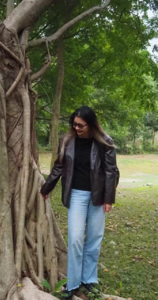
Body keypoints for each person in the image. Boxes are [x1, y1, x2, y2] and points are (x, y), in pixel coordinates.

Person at [41, 106, 118, 299]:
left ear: (91, 124)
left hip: (98, 197)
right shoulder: (67, 141)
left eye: (80, 125)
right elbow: (59, 166)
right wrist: (46, 188)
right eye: (74, 124)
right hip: (76, 195)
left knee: (94, 240)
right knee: (75, 240)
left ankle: (89, 279)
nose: (76, 128)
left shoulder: (105, 142)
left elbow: (111, 171)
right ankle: (73, 283)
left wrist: (109, 198)